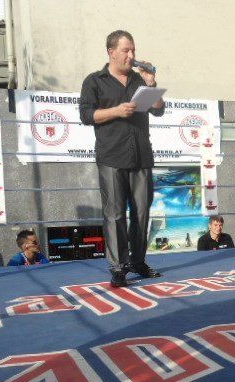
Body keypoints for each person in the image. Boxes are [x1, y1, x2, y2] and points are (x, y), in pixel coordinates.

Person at [80, 30, 165, 287]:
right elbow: (86, 115)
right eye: (126, 50)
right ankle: (118, 267)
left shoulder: (139, 80)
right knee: (115, 214)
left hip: (141, 155)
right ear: (112, 52)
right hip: (112, 156)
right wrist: (116, 111)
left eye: (133, 50)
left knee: (142, 213)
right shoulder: (95, 81)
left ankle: (138, 261)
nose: (131, 55)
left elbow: (159, 110)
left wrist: (151, 84)